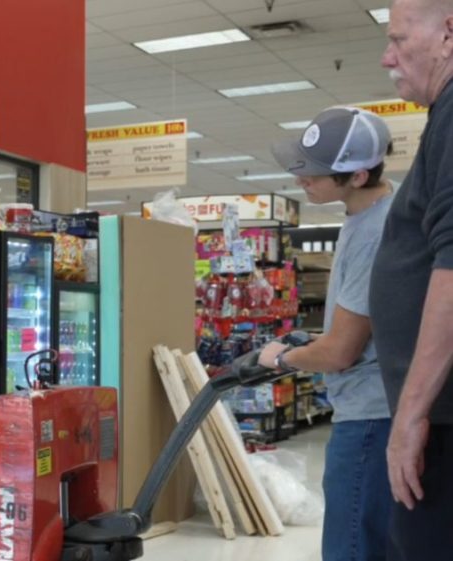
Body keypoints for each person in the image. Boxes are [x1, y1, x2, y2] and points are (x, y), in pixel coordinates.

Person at [259, 106, 395, 561]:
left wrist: (280, 359)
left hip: (370, 418)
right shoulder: (365, 220)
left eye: (315, 173)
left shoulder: (375, 232)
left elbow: (340, 352)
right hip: (375, 411)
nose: (302, 179)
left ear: (357, 176)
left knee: (351, 548)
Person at [369, 0, 453, 558]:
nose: (386, 56)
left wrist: (411, 415)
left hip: (442, 430)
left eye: (399, 39)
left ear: (448, 33)